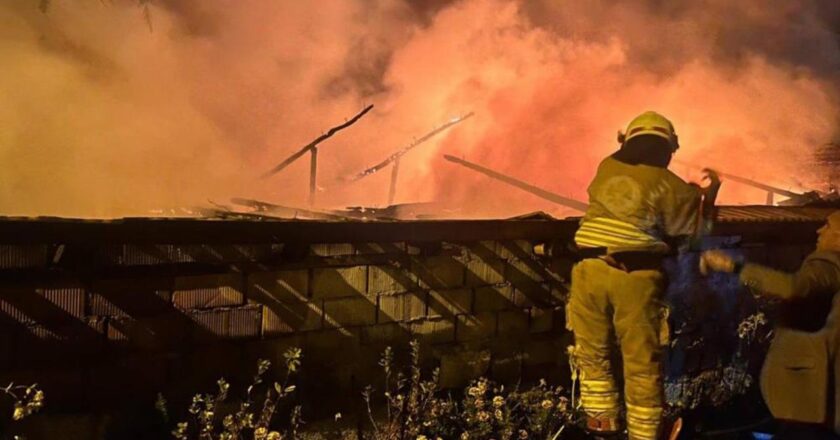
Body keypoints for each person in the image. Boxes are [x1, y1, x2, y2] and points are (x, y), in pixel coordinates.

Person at [569, 111, 720, 440]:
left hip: (588, 271)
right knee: (641, 359)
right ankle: (646, 433)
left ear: (627, 141)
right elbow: (692, 234)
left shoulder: (607, 166)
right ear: (668, 148)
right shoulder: (673, 186)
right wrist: (706, 198)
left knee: (593, 353)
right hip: (636, 277)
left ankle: (601, 427)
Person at [700, 210, 840, 438]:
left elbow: (792, 287)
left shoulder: (828, 264)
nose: (819, 230)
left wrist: (733, 266)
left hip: (806, 393)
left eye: (828, 225)